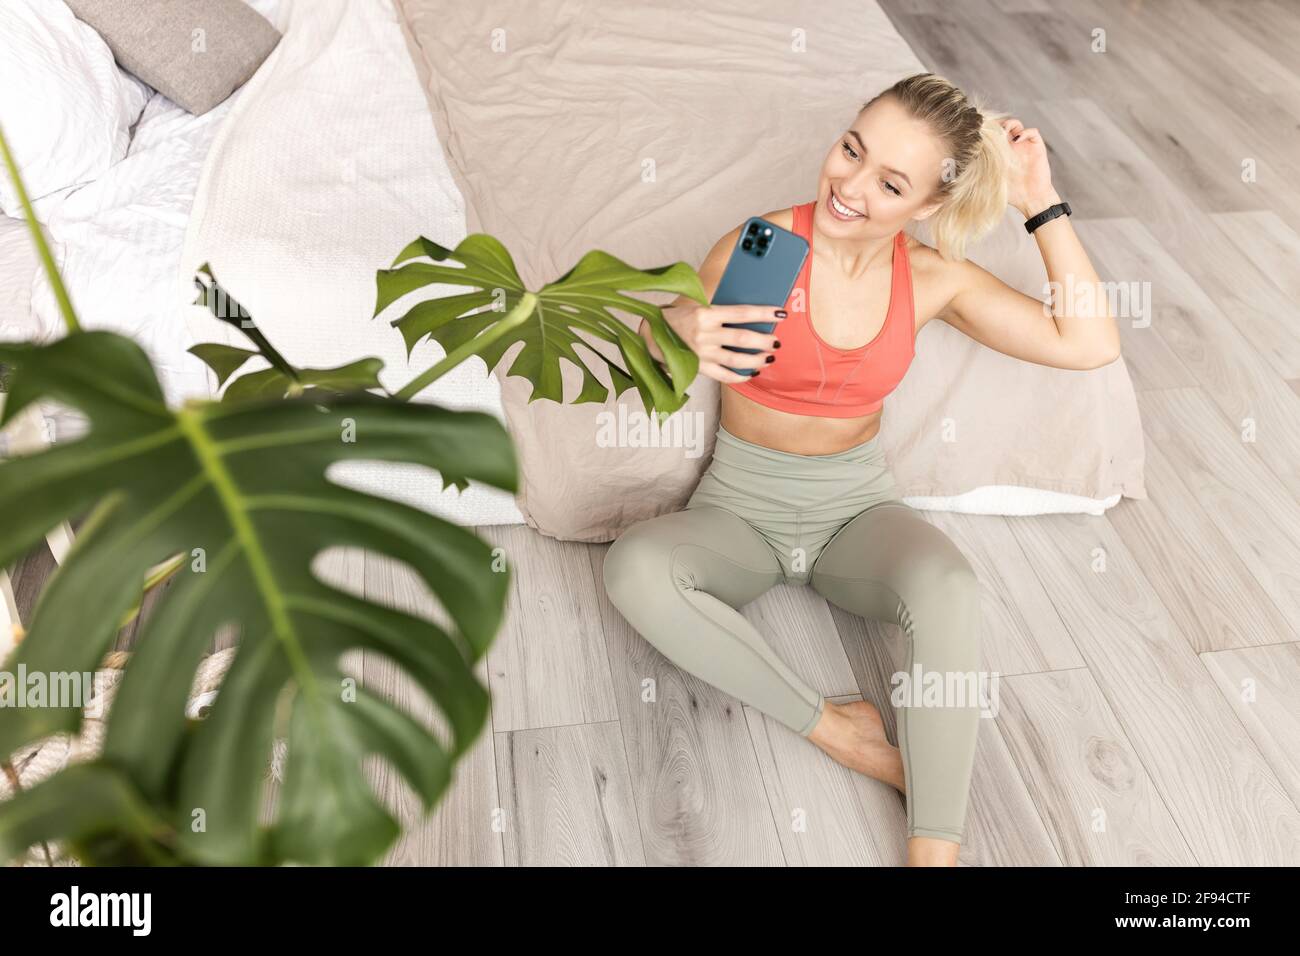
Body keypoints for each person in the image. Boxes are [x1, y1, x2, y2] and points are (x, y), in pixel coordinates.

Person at [602, 72, 1120, 866]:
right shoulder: (768, 248)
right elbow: (666, 339)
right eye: (852, 149)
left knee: (950, 586)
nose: (850, 185)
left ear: (928, 208)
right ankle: (843, 733)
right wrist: (679, 327)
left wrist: (1039, 205)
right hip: (740, 510)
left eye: (891, 183)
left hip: (856, 517)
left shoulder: (934, 278)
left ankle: (934, 854)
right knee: (634, 569)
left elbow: (1084, 344)